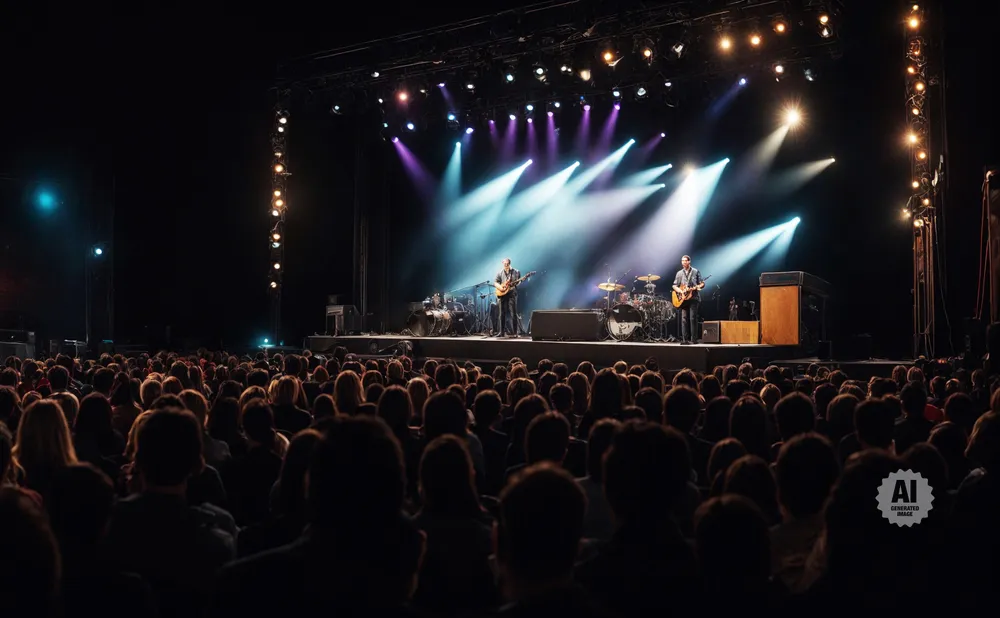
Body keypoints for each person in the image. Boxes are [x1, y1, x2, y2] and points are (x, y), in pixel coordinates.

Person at [671, 254, 704, 344]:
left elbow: (701, 284)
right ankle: (685, 339)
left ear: (689, 261)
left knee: (693, 318)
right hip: (683, 299)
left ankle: (694, 339)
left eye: (685, 260)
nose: (683, 262)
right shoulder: (679, 273)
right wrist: (681, 291)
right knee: (684, 319)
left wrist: (698, 286)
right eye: (682, 261)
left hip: (693, 297)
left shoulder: (695, 271)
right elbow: (674, 285)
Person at [495, 258, 522, 338]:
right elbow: (496, 282)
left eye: (507, 264)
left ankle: (515, 332)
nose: (506, 265)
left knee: (513, 313)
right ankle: (501, 332)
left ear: (509, 263)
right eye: (504, 264)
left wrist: (514, 284)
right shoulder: (500, 273)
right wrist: (500, 288)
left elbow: (518, 282)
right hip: (503, 294)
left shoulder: (516, 272)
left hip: (512, 294)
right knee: (501, 314)